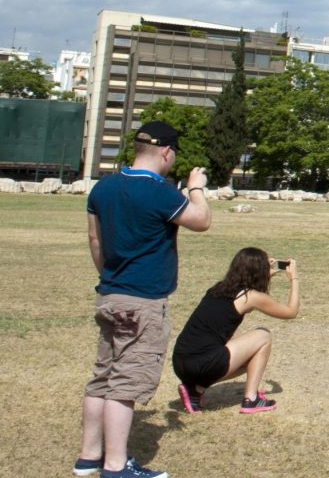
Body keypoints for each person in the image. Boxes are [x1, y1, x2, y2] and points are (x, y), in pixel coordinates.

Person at [75, 121, 212, 478]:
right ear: (167, 152)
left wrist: (110, 276)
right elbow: (201, 221)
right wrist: (196, 189)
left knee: (102, 377)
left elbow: (95, 240)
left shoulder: (103, 188)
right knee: (126, 382)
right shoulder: (159, 191)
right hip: (144, 301)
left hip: (110, 293)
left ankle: (89, 456)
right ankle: (116, 466)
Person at [172, 247, 301, 415]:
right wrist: (294, 278)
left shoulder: (218, 289)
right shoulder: (250, 296)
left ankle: (195, 390)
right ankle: (251, 399)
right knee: (263, 335)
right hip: (203, 363)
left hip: (180, 362)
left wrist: (265, 273)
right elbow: (291, 312)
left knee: (251, 360)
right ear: (258, 271)